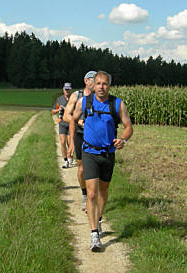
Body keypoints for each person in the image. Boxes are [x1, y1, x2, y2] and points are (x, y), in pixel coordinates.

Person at [69, 71, 133, 252]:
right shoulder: (85, 102)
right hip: (89, 152)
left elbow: (128, 126)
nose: (101, 87)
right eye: (98, 83)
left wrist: (123, 139)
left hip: (107, 154)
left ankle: (99, 217)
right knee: (91, 194)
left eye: (105, 84)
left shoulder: (117, 104)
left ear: (109, 85)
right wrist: (72, 142)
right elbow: (73, 119)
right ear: (93, 85)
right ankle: (94, 233)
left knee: (103, 190)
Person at [63, 71, 96, 211]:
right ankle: (84, 194)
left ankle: (92, 197)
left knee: (95, 168)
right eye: (92, 80)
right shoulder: (77, 96)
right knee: (81, 168)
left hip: (95, 136)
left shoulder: (100, 97)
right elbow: (66, 116)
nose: (95, 83)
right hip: (80, 133)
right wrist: (79, 121)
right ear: (86, 81)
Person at [52, 82, 73, 168]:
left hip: (71, 123)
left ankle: (70, 157)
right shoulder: (59, 99)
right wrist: (58, 110)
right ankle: (65, 161)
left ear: (71, 89)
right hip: (62, 123)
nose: (67, 91)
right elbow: (53, 111)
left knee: (69, 142)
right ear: (63, 90)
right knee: (62, 142)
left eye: (68, 89)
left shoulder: (74, 98)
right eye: (65, 89)